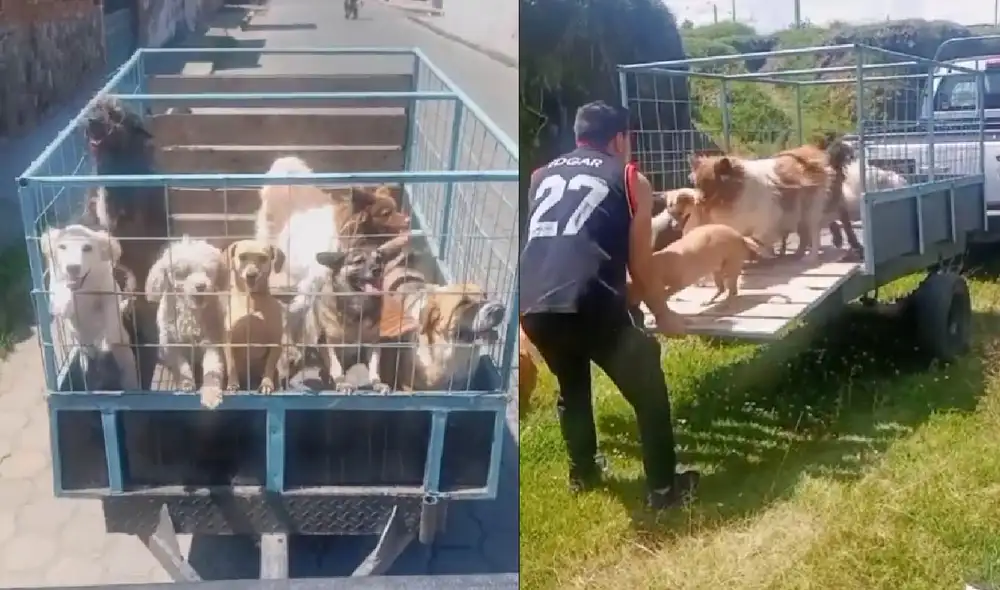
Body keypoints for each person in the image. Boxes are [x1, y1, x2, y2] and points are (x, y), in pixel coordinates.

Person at [519, 100, 699, 510]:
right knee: (648, 386)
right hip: (589, 300)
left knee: (572, 386)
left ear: (579, 137)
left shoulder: (540, 176)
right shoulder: (630, 177)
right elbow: (641, 264)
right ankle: (664, 491)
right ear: (619, 140)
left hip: (533, 303)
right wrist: (664, 314)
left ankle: (583, 473)